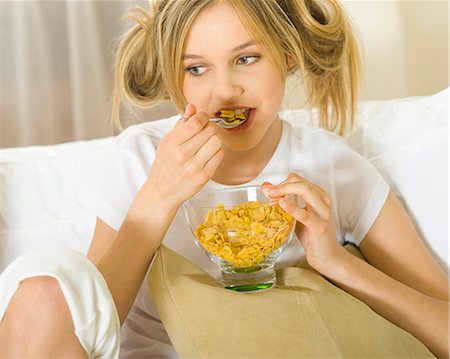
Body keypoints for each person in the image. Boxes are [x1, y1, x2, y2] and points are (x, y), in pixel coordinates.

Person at [0, 0, 448, 358]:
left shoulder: (332, 165)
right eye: (197, 68)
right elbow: (90, 331)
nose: (224, 90)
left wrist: (337, 263)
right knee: (43, 295)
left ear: (286, 54)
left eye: (246, 59)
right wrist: (158, 197)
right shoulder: (139, 160)